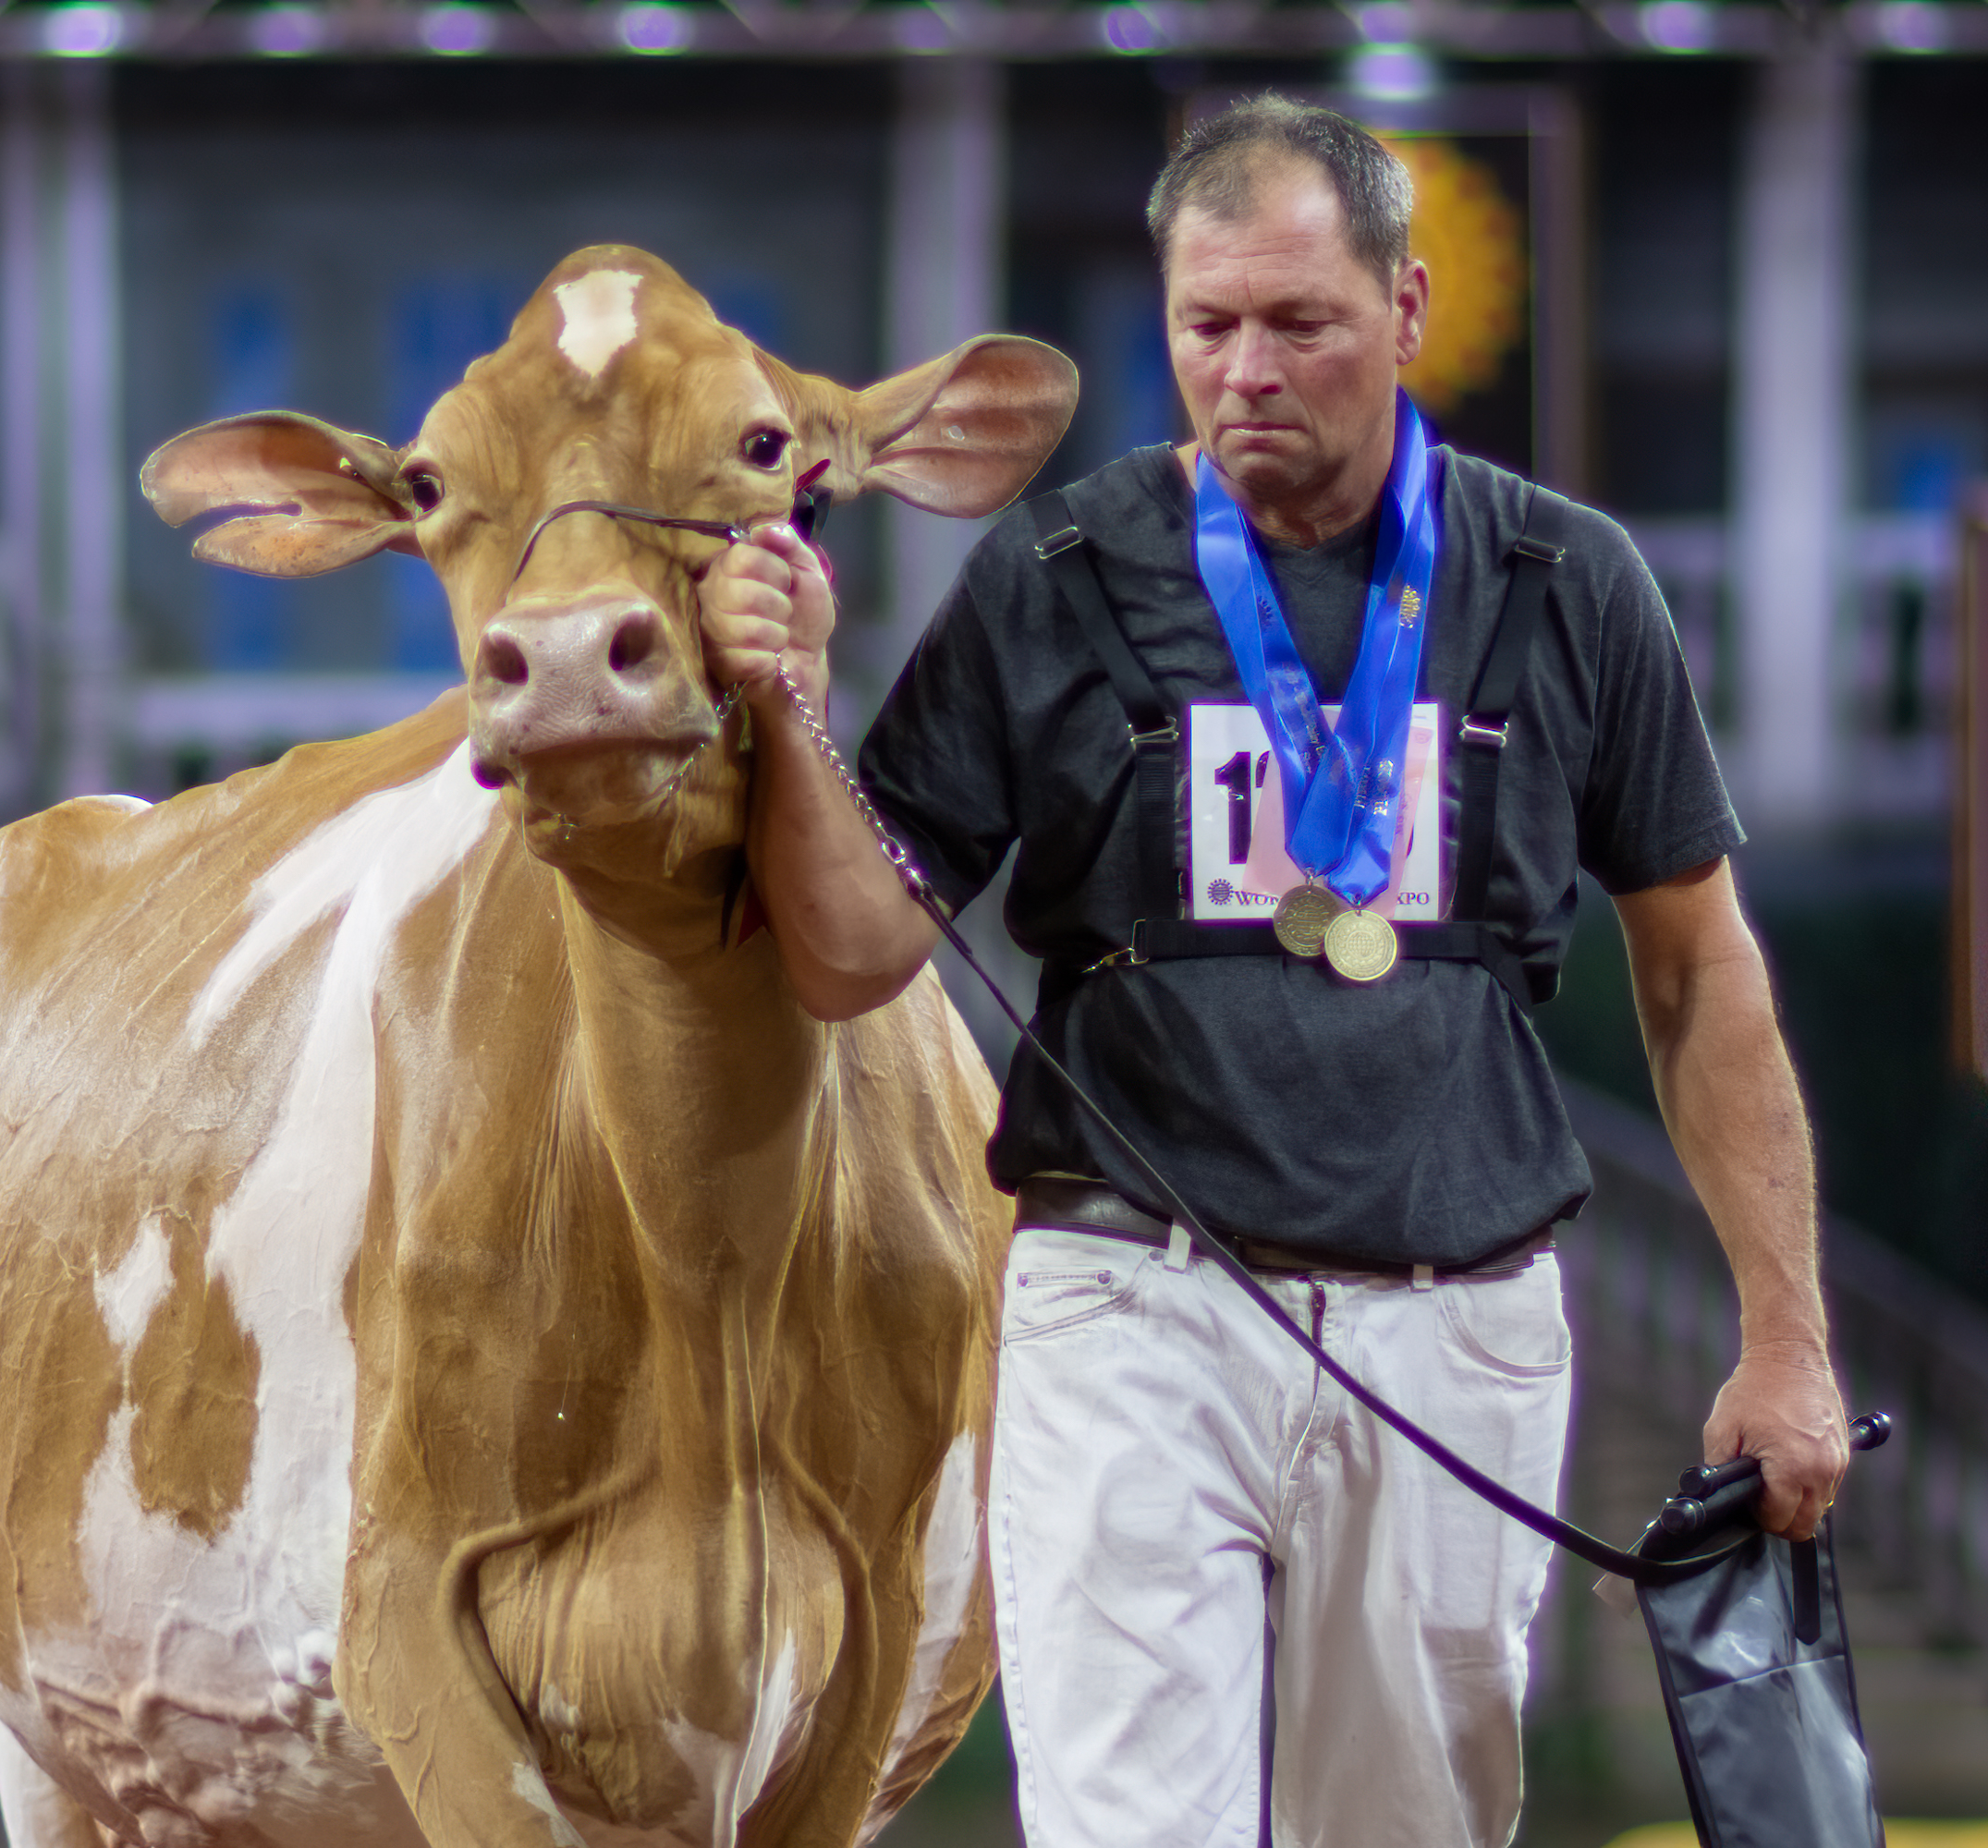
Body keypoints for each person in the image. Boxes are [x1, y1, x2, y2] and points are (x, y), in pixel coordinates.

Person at [700, 94, 1850, 1848]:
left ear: (1406, 308)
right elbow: (852, 957)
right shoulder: (1054, 576)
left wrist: (1787, 1341)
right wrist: (790, 707)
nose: (1245, 371)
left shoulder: (1565, 580)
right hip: (1134, 1311)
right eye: (1206, 323)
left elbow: (1701, 978)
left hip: (1456, 1326)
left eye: (1300, 322)